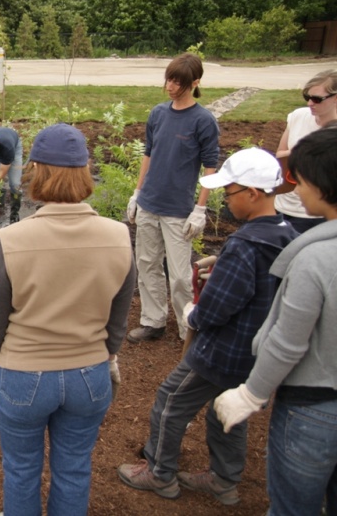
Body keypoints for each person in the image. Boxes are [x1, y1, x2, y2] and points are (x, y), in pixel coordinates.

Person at [0, 123, 135, 516]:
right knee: (75, 469)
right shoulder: (119, 236)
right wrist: (108, 357)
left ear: (37, 171)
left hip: (24, 378)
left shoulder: (13, 239)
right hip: (88, 377)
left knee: (22, 469)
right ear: (85, 171)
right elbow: (118, 321)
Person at [117, 148, 297, 504]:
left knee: (171, 399)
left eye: (228, 193)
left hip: (221, 350)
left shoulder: (246, 244)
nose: (224, 201)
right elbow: (261, 285)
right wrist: (224, 262)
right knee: (225, 409)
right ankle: (223, 481)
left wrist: (193, 316)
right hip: (253, 350)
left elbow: (219, 307)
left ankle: (159, 472)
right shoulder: (285, 234)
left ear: (252, 193)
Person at [214, 127, 337, 516]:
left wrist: (251, 393)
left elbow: (289, 339)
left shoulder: (316, 258)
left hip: (313, 406)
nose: (296, 190)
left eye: (299, 181)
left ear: (322, 182)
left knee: (291, 508)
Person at [126, 52, 220, 343]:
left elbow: (211, 165)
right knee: (147, 264)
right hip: (149, 204)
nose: (170, 86)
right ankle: (153, 321)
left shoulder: (203, 121)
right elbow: (149, 153)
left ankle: (185, 327)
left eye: (177, 82)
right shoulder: (158, 113)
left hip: (178, 210)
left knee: (180, 276)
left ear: (194, 83)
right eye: (168, 79)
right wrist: (137, 192)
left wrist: (200, 209)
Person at [274, 69, 337, 233]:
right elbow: (280, 154)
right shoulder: (298, 116)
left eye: (317, 99)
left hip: (314, 214)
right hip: (282, 204)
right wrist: (299, 152)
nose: (310, 103)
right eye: (307, 97)